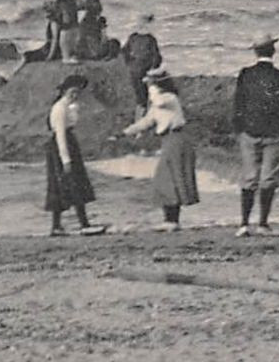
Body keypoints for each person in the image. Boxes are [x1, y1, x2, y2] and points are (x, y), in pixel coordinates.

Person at [231, 33, 279, 236]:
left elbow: (238, 104)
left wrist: (239, 129)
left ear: (255, 51)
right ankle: (263, 224)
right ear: (273, 51)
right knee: (268, 179)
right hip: (275, 133)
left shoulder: (245, 74)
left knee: (249, 178)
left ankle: (243, 224)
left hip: (249, 132)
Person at [122, 68, 199, 230]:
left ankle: (172, 221)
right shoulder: (159, 103)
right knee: (169, 178)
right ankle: (171, 220)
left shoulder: (170, 98)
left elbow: (159, 102)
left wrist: (151, 88)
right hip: (169, 140)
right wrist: (125, 133)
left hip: (177, 138)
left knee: (169, 177)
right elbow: (146, 122)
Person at [45, 74, 107, 236]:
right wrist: (65, 159)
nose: (75, 95)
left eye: (78, 92)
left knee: (69, 184)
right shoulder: (59, 108)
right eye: (72, 92)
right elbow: (60, 135)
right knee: (71, 183)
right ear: (64, 90)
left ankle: (58, 226)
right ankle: (82, 224)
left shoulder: (71, 106)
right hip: (61, 146)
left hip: (69, 142)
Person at [122, 14, 163, 108]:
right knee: (140, 92)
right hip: (139, 67)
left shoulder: (146, 38)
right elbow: (124, 51)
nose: (140, 26)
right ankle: (142, 108)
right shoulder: (137, 38)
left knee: (141, 92)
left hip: (141, 68)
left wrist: (152, 68)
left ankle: (142, 108)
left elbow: (156, 56)